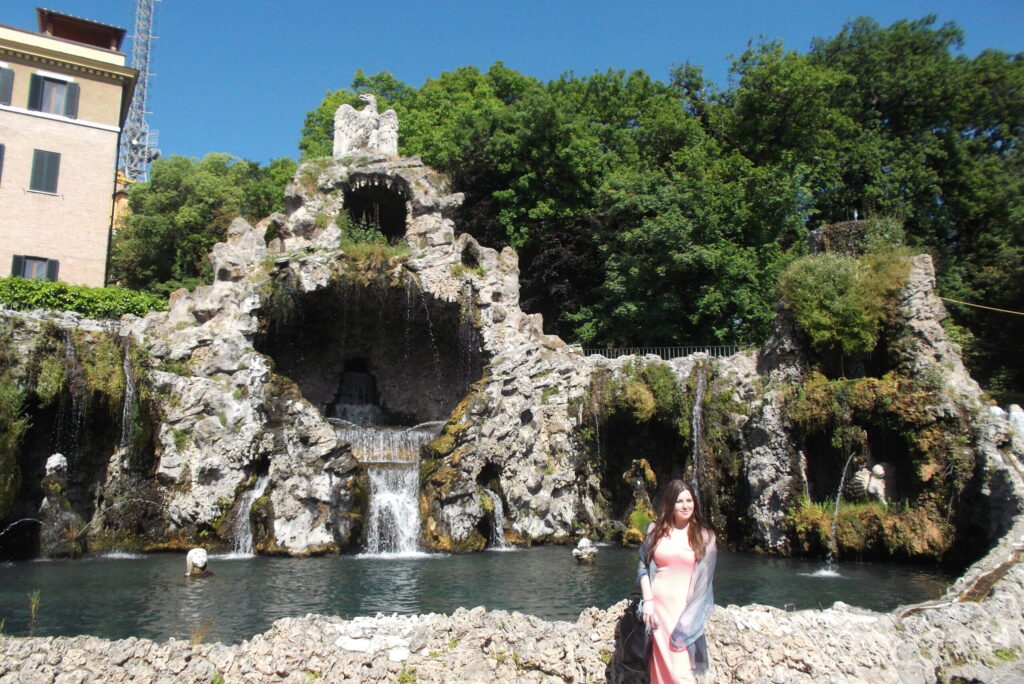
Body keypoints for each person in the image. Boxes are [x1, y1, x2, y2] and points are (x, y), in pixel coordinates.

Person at [636, 479, 717, 683]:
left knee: (682, 671)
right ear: (670, 504)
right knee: (660, 667)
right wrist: (648, 602)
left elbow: (705, 582)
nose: (685, 506)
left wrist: (694, 612)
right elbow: (643, 568)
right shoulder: (655, 531)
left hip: (685, 611)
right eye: (680, 501)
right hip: (658, 612)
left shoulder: (704, 536)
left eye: (689, 500)